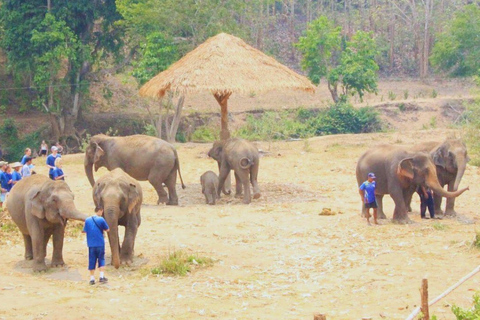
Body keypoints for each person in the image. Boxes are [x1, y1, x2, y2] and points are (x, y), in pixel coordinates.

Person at [82, 206, 109, 285]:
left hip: (91, 244)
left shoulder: (87, 220)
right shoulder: (101, 219)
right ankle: (101, 277)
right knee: (101, 259)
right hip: (100, 243)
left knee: (92, 260)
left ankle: (92, 279)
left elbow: (84, 231)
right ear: (100, 211)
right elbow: (107, 229)